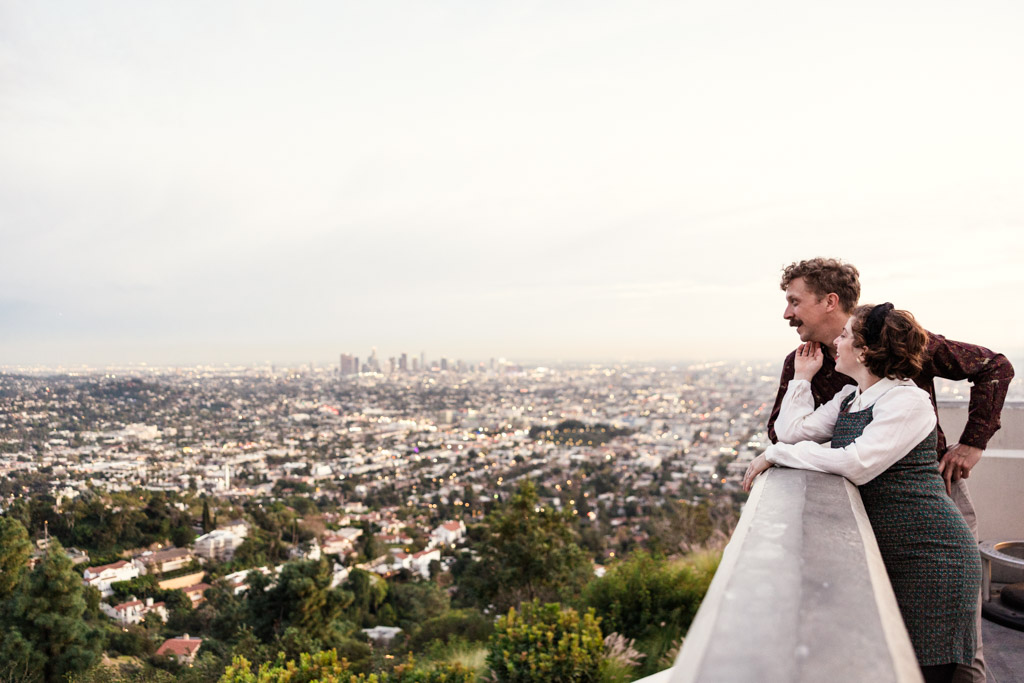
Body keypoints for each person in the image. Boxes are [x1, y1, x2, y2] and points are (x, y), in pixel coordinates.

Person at [766, 258, 1014, 683]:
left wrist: (972, 443)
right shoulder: (804, 362)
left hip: (931, 501)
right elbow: (784, 432)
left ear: (829, 302)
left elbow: (994, 366)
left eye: (794, 301)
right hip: (869, 518)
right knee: (896, 648)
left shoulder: (898, 341)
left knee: (957, 653)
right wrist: (798, 394)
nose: (786, 313)